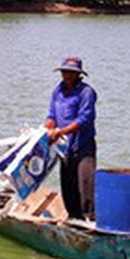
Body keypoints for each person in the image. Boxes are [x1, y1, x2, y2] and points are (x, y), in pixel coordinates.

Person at [45, 57, 97, 220]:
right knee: (68, 187)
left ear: (78, 75)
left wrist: (60, 132)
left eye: (70, 72)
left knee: (86, 186)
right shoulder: (57, 91)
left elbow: (84, 119)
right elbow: (52, 116)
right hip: (64, 148)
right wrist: (44, 131)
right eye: (64, 71)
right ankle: (73, 219)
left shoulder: (86, 92)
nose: (66, 75)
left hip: (83, 147)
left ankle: (91, 219)